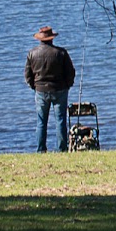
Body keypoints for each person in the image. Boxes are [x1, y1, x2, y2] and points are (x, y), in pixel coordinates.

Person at [25, 25, 76, 154]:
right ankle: (62, 149)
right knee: (60, 121)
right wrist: (68, 85)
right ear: (52, 39)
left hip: (41, 90)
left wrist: (34, 86)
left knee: (41, 122)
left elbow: (28, 75)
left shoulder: (32, 53)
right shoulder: (61, 53)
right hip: (60, 90)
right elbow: (70, 72)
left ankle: (41, 150)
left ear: (40, 39)